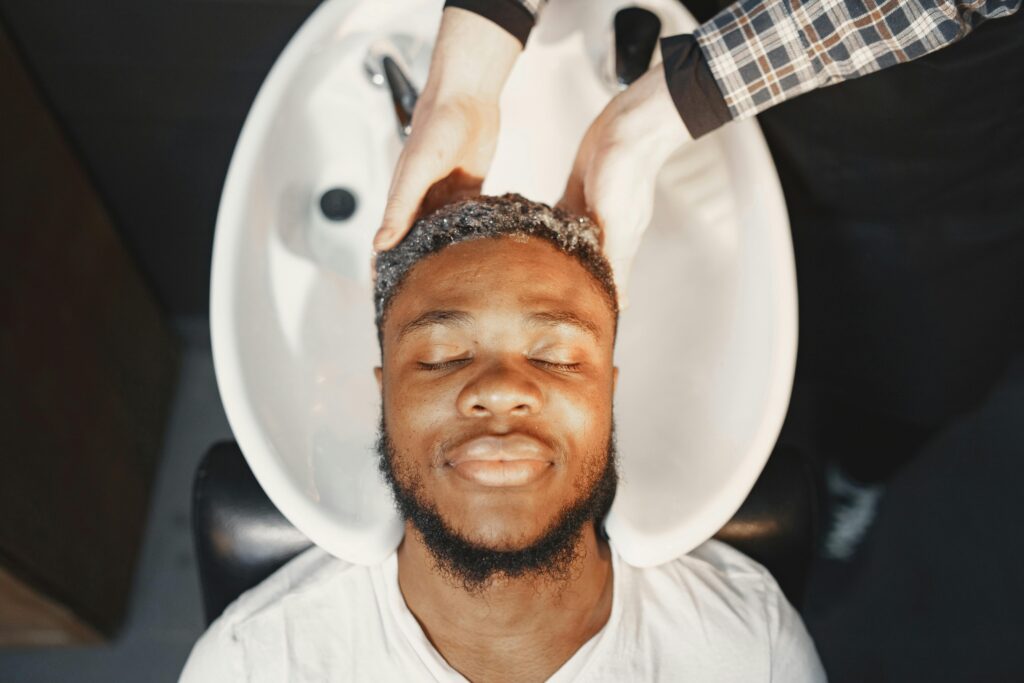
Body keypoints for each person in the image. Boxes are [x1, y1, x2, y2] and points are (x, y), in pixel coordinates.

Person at [374, 0, 1024, 562]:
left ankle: (857, 470)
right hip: (704, 49)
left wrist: (678, 100)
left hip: (920, 136)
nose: (502, 394)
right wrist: (465, 78)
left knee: (921, 367)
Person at [180, 194, 826, 681]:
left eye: (558, 356)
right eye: (438, 355)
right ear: (385, 394)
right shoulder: (253, 664)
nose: (499, 388)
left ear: (608, 392)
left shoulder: (747, 647)